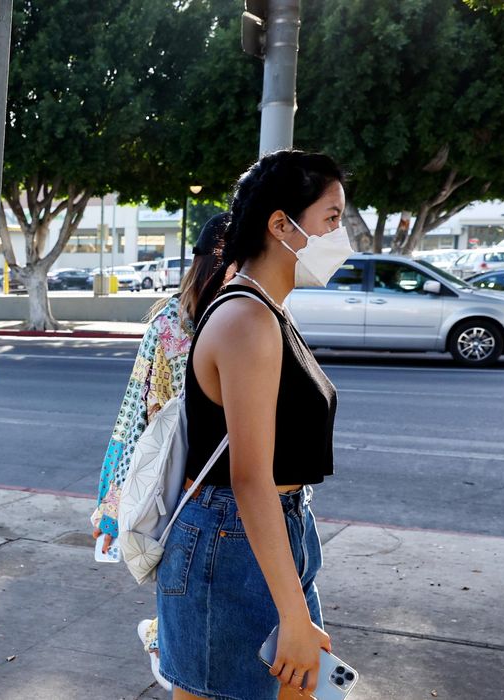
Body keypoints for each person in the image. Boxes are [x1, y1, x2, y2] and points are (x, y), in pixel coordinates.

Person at [156, 150, 350, 700]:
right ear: (281, 225)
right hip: (232, 540)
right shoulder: (247, 319)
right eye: (331, 218)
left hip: (270, 534)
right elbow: (249, 478)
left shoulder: (268, 310)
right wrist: (292, 614)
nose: (341, 234)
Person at [91, 212, 233, 691]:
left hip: (174, 479)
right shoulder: (229, 318)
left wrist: (114, 503)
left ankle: (163, 641)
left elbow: (133, 415)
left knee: (186, 583)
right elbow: (137, 411)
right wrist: (113, 508)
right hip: (197, 479)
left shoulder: (171, 317)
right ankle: (162, 642)